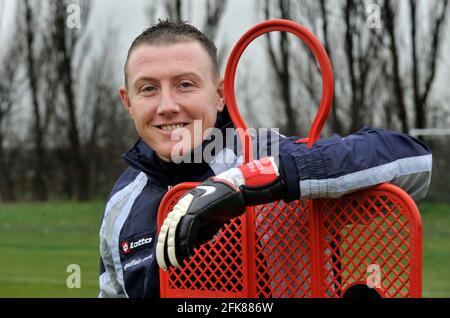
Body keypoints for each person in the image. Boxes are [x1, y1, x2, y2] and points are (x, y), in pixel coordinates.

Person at [98, 19, 432, 298]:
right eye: (148, 89)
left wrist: (250, 181)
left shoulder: (265, 155)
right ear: (128, 102)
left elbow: (414, 159)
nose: (167, 105)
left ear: (219, 95)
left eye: (185, 84)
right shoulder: (121, 203)